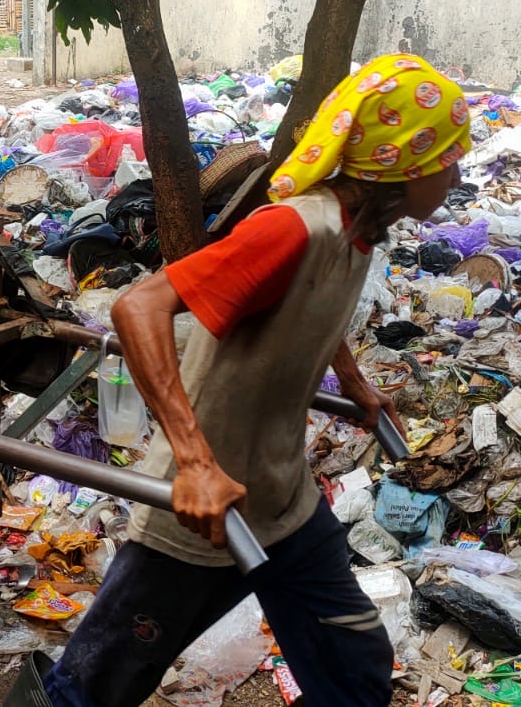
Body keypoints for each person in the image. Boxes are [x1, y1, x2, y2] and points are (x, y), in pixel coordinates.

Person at [45, 54, 471, 707]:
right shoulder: (293, 227)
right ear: (405, 165)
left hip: (281, 498)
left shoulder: (358, 232)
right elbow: (139, 307)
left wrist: (353, 381)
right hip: (203, 510)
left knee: (355, 665)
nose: (457, 174)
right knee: (92, 689)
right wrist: (194, 464)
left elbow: (308, 305)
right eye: (449, 159)